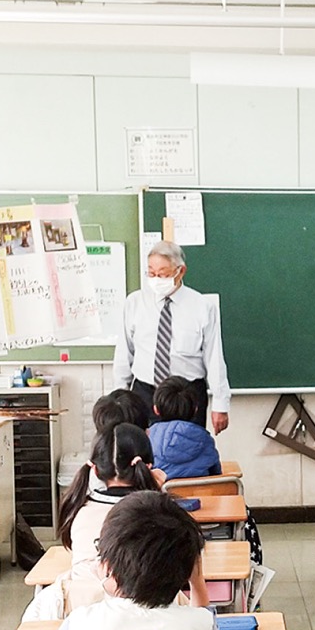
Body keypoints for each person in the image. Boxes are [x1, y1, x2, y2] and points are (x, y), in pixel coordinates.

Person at [40, 490, 220, 630]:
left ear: (108, 568)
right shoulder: (200, 622)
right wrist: (198, 583)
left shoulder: (79, 623)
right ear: (189, 568)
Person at [113, 240, 230, 435]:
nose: (156, 279)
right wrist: (118, 396)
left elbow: (214, 358)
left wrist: (220, 403)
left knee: (187, 448)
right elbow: (124, 354)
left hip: (187, 395)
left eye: (163, 274)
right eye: (151, 273)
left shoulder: (202, 306)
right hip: (145, 393)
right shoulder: (134, 303)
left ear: (180, 271)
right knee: (145, 449)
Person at [56, 423, 161, 582]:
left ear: (95, 470)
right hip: (141, 596)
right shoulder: (160, 512)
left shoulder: (78, 510)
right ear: (148, 466)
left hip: (82, 595)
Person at [149, 376, 222, 480]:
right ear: (196, 409)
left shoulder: (147, 439)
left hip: (161, 490)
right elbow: (215, 474)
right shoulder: (206, 440)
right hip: (200, 491)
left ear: (156, 410)